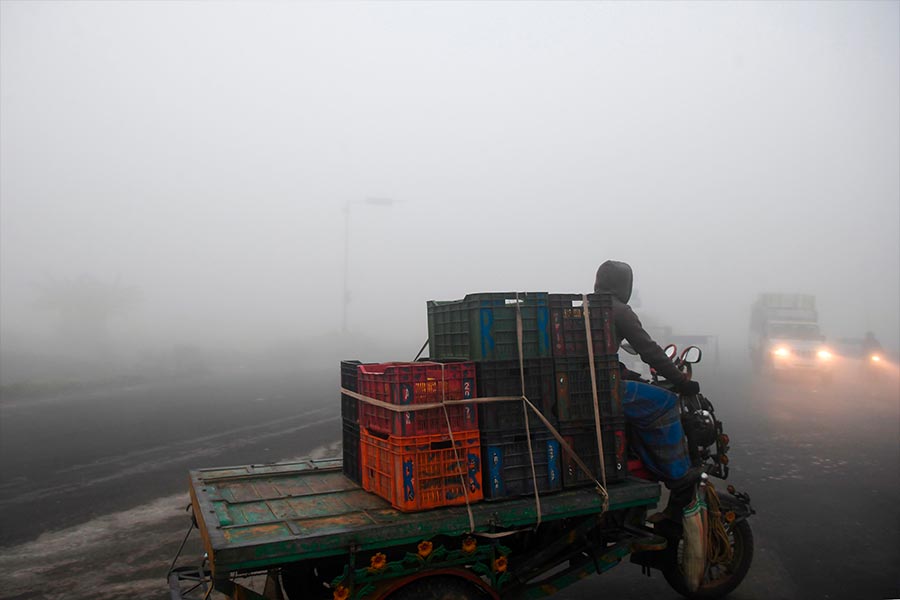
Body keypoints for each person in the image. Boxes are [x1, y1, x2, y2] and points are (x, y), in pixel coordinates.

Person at [593, 260, 699, 516]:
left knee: (642, 401)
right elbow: (650, 351)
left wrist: (624, 373)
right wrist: (682, 382)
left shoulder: (587, 306)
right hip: (605, 389)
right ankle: (676, 474)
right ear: (624, 284)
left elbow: (595, 355)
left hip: (587, 384)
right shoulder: (619, 310)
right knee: (665, 403)